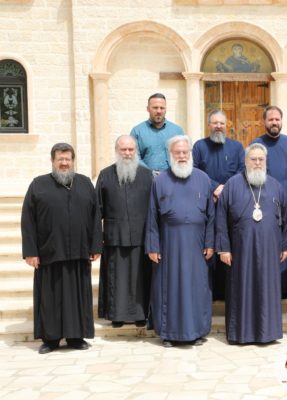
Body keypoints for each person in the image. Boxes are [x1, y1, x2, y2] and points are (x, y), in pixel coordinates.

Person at [21, 143, 102, 354]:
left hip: (79, 252)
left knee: (78, 297)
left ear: (73, 161)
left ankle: (76, 337)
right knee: (50, 298)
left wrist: (96, 245)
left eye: (68, 159)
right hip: (49, 252)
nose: (64, 163)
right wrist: (30, 251)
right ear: (52, 161)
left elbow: (95, 216)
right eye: (60, 159)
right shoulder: (38, 184)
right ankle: (51, 339)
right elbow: (28, 220)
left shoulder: (85, 183)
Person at [216, 143, 287, 344]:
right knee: (242, 289)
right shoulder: (232, 185)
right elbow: (220, 218)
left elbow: (285, 219)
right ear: (246, 161)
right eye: (253, 159)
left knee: (267, 289)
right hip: (241, 249)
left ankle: (268, 333)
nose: (257, 163)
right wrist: (223, 248)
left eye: (261, 159)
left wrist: (285, 245)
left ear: (266, 162)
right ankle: (241, 333)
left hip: (269, 249)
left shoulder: (276, 186)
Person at [145, 135, 214, 347]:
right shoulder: (160, 180)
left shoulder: (204, 179)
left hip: (197, 245)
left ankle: (197, 331)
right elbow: (152, 216)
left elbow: (212, 216)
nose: (182, 156)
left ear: (190, 154)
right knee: (170, 288)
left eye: (185, 152)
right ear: (170, 155)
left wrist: (210, 243)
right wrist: (153, 246)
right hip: (169, 245)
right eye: (178, 152)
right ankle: (168, 333)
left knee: (197, 288)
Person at [96, 135, 153, 328]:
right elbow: (97, 211)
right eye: (123, 149)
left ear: (136, 151)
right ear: (117, 151)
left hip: (141, 238)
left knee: (140, 280)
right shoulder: (105, 175)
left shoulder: (148, 175)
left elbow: (154, 209)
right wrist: (95, 242)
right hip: (115, 237)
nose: (127, 153)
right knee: (117, 279)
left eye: (131, 149)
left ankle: (141, 315)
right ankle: (117, 316)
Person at [192, 109, 245, 301]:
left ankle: (227, 291)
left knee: (228, 243)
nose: (218, 126)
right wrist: (214, 187)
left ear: (226, 125)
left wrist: (226, 189)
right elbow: (194, 170)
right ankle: (210, 291)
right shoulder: (199, 146)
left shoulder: (237, 147)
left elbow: (242, 170)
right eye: (215, 123)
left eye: (222, 123)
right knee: (209, 245)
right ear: (209, 125)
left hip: (231, 203)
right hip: (207, 203)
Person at [252, 106, 287, 299]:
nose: (274, 122)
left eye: (277, 119)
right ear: (264, 121)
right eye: (270, 119)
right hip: (266, 201)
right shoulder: (256, 144)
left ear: (281, 121)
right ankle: (269, 285)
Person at [130, 93, 184, 173]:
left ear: (166, 109)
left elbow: (183, 155)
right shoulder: (137, 131)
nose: (159, 111)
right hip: (146, 178)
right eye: (155, 108)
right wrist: (150, 173)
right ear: (148, 109)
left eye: (162, 108)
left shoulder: (177, 131)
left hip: (172, 177)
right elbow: (134, 157)